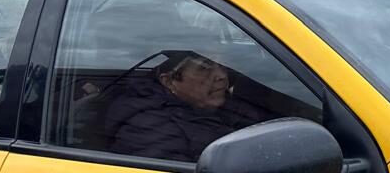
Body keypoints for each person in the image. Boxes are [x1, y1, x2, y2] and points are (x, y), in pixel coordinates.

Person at [107, 51, 269, 162]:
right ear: (169, 81)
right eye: (204, 68)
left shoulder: (227, 105)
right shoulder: (147, 127)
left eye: (223, 65)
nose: (221, 76)